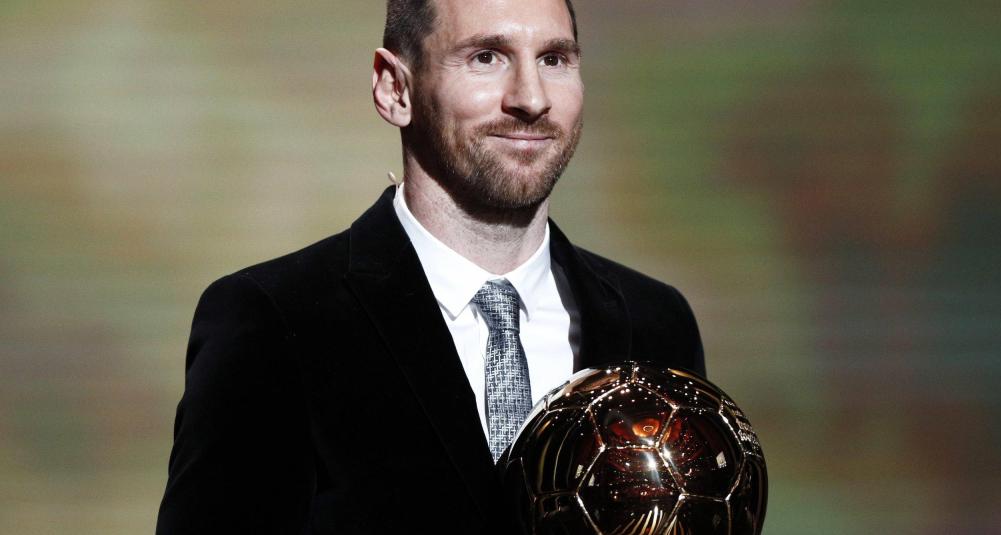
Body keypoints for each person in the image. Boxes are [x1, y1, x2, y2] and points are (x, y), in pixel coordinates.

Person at [155, 0, 705, 533]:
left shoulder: (656, 322)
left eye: (553, 59)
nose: (531, 98)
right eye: (486, 57)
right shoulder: (274, 321)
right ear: (394, 88)